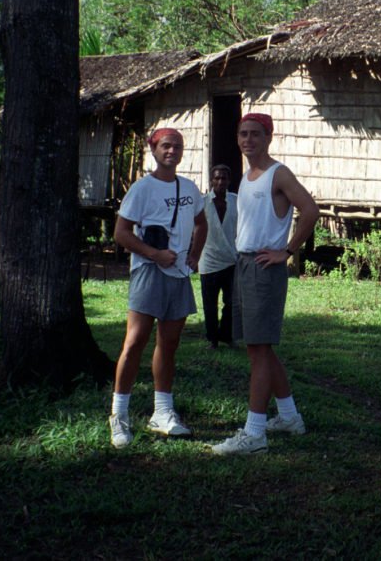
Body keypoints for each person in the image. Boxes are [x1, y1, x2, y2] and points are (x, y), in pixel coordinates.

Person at [211, 113, 319, 456]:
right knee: (259, 348)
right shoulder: (247, 176)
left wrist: (286, 251)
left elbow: (310, 210)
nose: (247, 140)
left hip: (263, 267)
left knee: (258, 350)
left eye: (255, 134)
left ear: (268, 137)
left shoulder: (278, 173)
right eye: (242, 134)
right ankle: (289, 417)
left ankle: (254, 433)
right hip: (244, 264)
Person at [108, 128, 207, 449]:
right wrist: (154, 254)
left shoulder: (189, 188)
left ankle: (162, 412)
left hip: (179, 276)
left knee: (170, 342)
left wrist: (194, 255)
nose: (172, 151)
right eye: (166, 146)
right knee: (135, 341)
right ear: (154, 149)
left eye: (177, 146)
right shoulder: (142, 189)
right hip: (149, 273)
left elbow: (201, 222)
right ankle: (119, 415)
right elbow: (121, 233)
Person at [199, 165, 237, 349]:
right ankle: (212, 339)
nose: (220, 182)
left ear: (229, 181)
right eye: (217, 178)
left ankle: (226, 335)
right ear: (211, 181)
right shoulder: (202, 203)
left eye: (224, 178)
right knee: (209, 303)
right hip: (209, 260)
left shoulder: (236, 201)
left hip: (232, 259)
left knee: (232, 302)